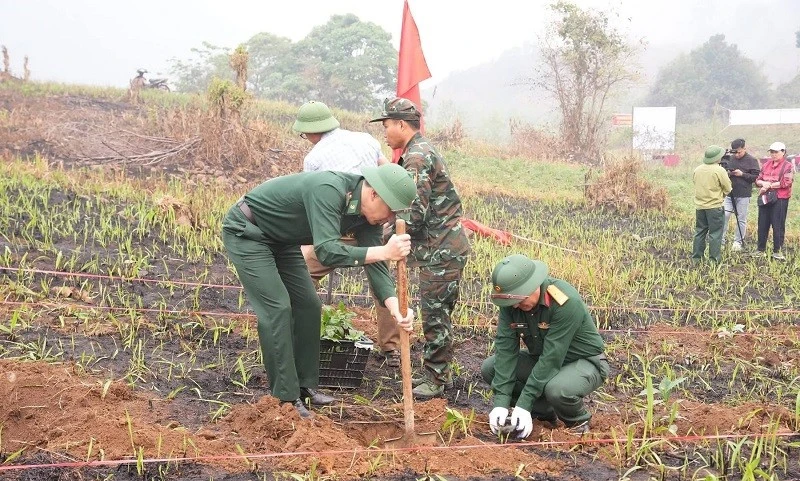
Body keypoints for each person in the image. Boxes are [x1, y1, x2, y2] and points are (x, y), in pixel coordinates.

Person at [221, 164, 417, 417]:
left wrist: (395, 307)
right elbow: (326, 250)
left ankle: (305, 386)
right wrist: (384, 251)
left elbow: (377, 266)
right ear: (373, 194)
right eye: (390, 210)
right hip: (248, 232)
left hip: (283, 241)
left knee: (308, 306)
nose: (389, 218)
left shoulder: (368, 217)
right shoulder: (330, 189)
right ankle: (286, 398)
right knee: (277, 308)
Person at [371, 97, 471, 399]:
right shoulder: (419, 151)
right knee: (437, 313)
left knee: (435, 315)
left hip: (441, 250)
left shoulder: (416, 158)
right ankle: (438, 373)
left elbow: (412, 214)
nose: (385, 132)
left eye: (387, 125)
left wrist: (383, 235)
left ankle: (436, 379)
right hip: (440, 247)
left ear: (402, 125)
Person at [292, 101, 401, 368]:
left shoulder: (314, 157)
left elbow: (311, 201)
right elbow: (386, 169)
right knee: (381, 279)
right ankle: (392, 348)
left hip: (343, 224)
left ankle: (294, 336)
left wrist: (306, 243)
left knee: (301, 276)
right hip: (372, 218)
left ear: (311, 132)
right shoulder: (365, 139)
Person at [482, 255, 609, 438]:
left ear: (533, 286)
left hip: (583, 362)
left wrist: (523, 404)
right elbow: (505, 350)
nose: (515, 306)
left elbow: (552, 357)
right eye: (511, 302)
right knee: (490, 368)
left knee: (557, 390)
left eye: (519, 300)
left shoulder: (565, 302)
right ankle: (543, 412)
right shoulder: (511, 303)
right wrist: (500, 403)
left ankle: (578, 422)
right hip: (542, 360)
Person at [692, 145, 732, 263]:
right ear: (717, 158)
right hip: (715, 207)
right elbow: (728, 188)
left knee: (699, 232)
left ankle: (697, 259)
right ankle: (714, 260)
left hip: (700, 206)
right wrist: (721, 195)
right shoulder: (719, 170)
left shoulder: (697, 169)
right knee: (715, 234)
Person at [754, 141, 794, 260]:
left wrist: (768, 185)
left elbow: (786, 182)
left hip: (780, 198)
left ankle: (777, 251)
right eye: (771, 152)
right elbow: (758, 179)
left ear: (783, 152)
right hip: (765, 197)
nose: (773, 154)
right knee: (762, 224)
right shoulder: (766, 164)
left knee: (778, 225)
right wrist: (763, 183)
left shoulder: (788, 166)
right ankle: (760, 249)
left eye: (776, 152)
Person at [722, 139, 761, 251]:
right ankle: (721, 240)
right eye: (735, 152)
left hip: (743, 194)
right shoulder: (729, 158)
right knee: (724, 216)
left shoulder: (752, 160)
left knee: (741, 218)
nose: (737, 155)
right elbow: (722, 172)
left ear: (744, 148)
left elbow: (755, 177)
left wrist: (742, 174)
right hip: (729, 193)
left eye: (739, 152)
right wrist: (728, 173)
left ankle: (738, 242)